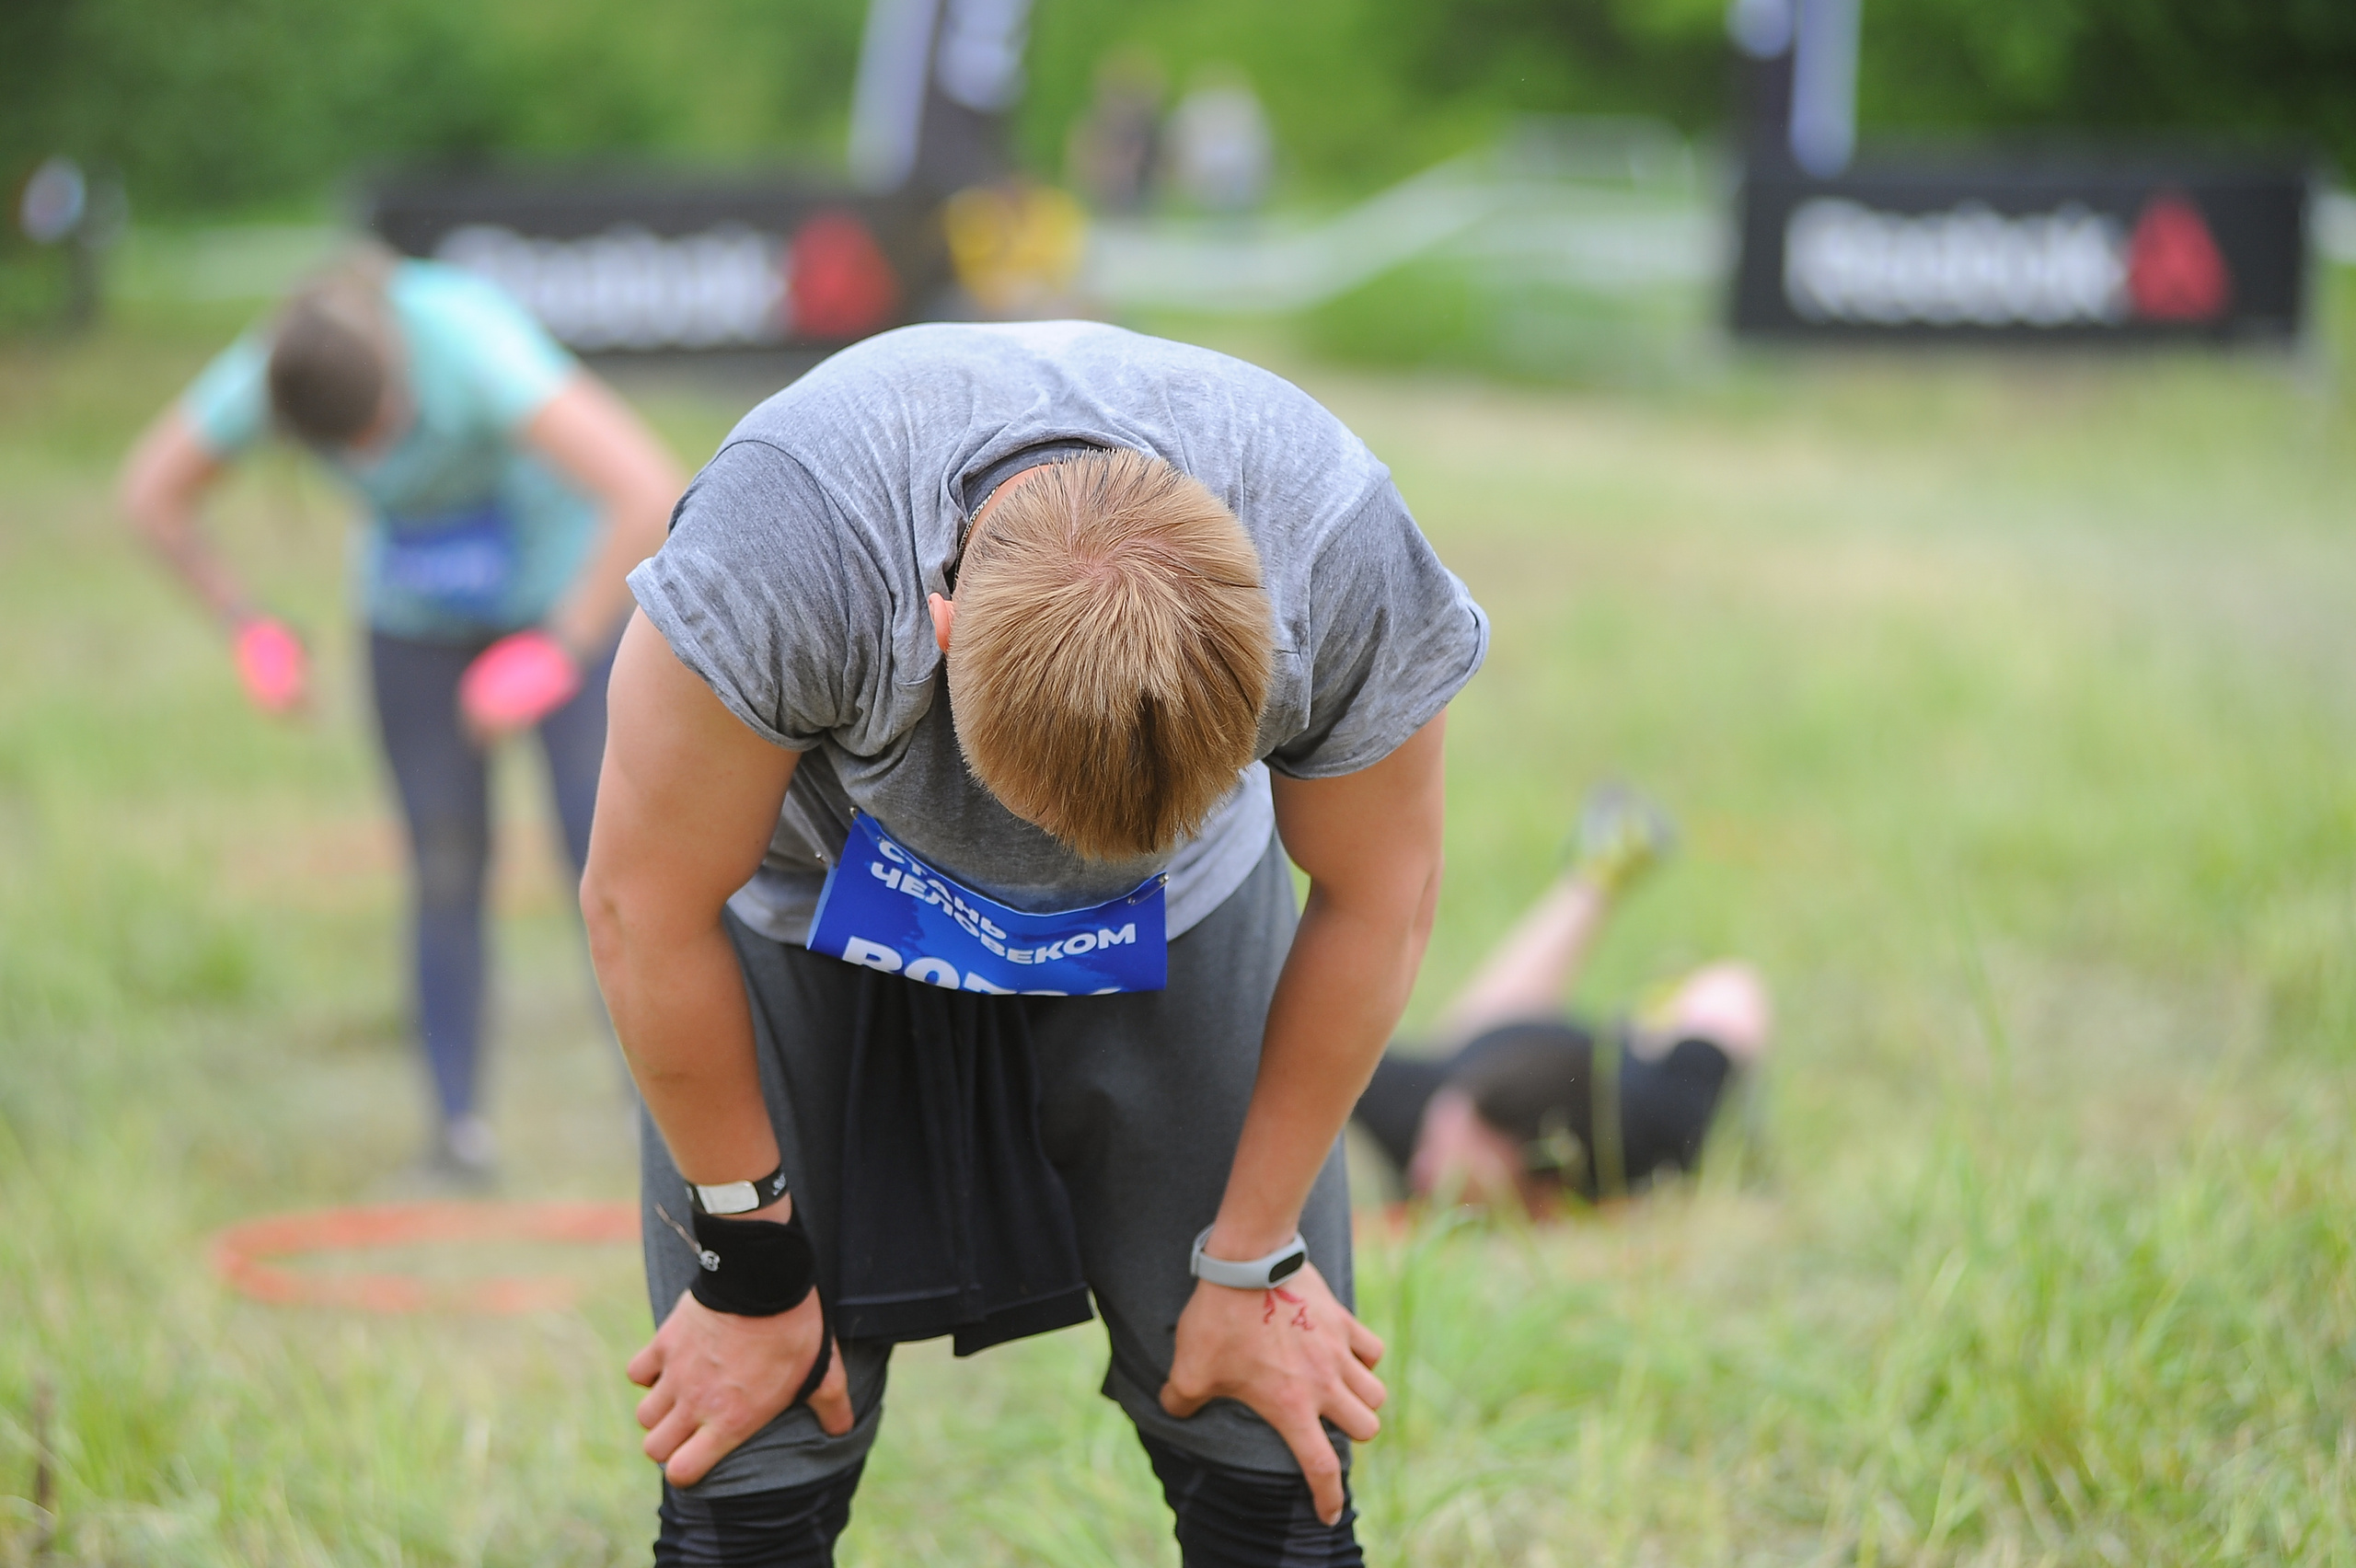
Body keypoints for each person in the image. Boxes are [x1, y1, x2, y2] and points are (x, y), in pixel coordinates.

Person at [578, 320, 1488, 1566]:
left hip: (1178, 916)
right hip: (812, 896)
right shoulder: (791, 544)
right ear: (940, 634)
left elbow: (1380, 895)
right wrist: (746, 1261)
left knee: (1270, 1414)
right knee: (751, 1427)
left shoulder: (1332, 546)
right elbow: (644, 907)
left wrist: (1255, 1250)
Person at [117, 244, 683, 1182]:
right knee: (443, 858)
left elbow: (648, 489)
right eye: (351, 452)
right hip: (414, 622)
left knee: (604, 864)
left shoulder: (467, 346)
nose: (377, 459)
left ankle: (661, 1130)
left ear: (402, 375)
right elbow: (150, 494)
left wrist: (561, 642)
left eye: (387, 427)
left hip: (561, 596)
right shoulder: (277, 372)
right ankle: (457, 1138)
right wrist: (245, 623)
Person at [1354, 786, 1771, 1216]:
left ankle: (1603, 879)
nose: (1420, 1165)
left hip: (1616, 1062)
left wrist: (1659, 1029)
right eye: (1433, 1144)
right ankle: (1596, 874)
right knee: (1456, 1040)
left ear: (1537, 1174)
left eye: (1443, 1158)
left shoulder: (1653, 1133)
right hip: (1484, 1047)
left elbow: (1734, 989)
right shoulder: (1419, 1116)